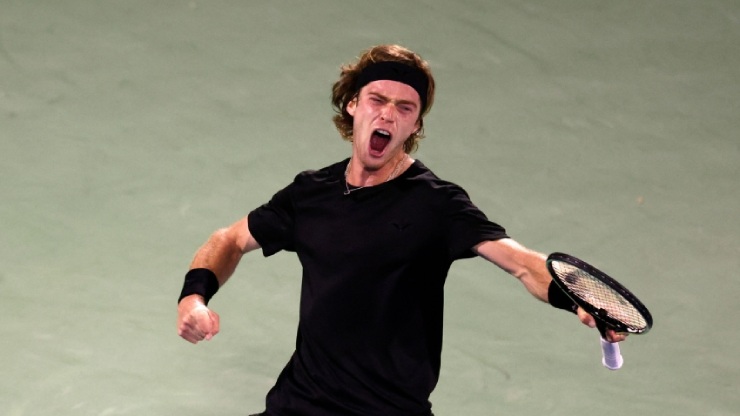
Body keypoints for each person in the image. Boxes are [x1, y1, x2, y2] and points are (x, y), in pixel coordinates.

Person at [176, 44, 626, 416]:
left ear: (414, 124)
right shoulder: (311, 194)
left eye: (405, 107)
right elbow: (229, 239)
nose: (388, 115)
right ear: (353, 105)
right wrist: (194, 297)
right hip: (298, 405)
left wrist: (576, 298)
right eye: (378, 100)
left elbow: (522, 263)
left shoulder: (437, 204)